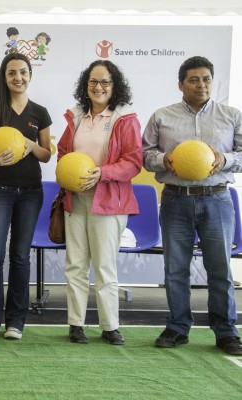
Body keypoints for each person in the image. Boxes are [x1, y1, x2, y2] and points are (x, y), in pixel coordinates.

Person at [143, 56, 242, 355]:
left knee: (220, 269)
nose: (201, 85)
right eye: (194, 80)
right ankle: (177, 328)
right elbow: (146, 155)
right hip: (175, 199)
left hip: (218, 199)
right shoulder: (162, 116)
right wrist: (165, 159)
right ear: (181, 84)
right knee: (175, 269)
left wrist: (225, 159)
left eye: (207, 79)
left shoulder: (231, 115)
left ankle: (226, 332)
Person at [58, 60, 142, 345]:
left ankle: (110, 326)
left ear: (114, 86)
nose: (98, 87)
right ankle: (76, 324)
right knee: (75, 266)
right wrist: (67, 173)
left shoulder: (125, 118)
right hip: (75, 199)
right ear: (86, 85)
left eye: (105, 82)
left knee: (105, 267)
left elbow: (133, 162)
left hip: (109, 201)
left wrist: (102, 174)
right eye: (93, 81)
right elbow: (62, 152)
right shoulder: (76, 116)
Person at [0, 53, 52, 340]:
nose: (17, 77)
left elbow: (46, 155)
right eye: (12, 73)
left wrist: (30, 145)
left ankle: (15, 322)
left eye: (22, 72)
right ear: (4, 77)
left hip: (31, 193)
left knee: (20, 256)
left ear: (30, 75)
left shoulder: (40, 112)